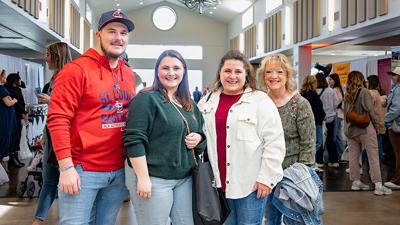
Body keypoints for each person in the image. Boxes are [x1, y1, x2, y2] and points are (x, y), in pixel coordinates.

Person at [46, 10, 136, 224]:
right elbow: (58, 119)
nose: (118, 37)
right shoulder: (76, 70)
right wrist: (66, 167)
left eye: (123, 33)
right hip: (83, 170)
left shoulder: (129, 74)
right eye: (111, 31)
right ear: (98, 35)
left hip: (118, 169)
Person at [198, 50, 286, 225]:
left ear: (246, 75)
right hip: (217, 185)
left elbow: (274, 142)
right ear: (220, 74)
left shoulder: (260, 101)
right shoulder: (206, 101)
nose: (232, 76)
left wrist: (266, 179)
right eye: (227, 71)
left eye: (238, 71)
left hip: (251, 185)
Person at [124, 49, 206, 225]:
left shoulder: (188, 102)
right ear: (157, 71)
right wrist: (143, 178)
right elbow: (134, 139)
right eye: (165, 68)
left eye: (176, 68)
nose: (171, 73)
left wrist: (198, 138)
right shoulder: (146, 98)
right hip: (155, 178)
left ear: (184, 71)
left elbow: (201, 130)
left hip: (184, 178)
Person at [258, 54, 317, 224]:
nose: (273, 76)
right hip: (265, 174)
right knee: (270, 220)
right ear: (263, 76)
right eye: (268, 71)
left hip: (292, 175)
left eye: (279, 72)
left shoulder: (300, 104)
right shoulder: (259, 102)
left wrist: (302, 177)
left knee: (297, 221)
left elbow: (308, 144)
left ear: (287, 75)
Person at [31, 42, 72, 225]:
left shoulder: (69, 77)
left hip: (64, 138)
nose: (45, 58)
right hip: (50, 134)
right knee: (49, 179)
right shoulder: (54, 79)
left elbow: (73, 109)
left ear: (57, 55)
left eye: (48, 54)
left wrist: (51, 100)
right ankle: (38, 220)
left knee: (60, 181)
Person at [344, 71, 391, 195]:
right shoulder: (364, 92)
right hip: (365, 128)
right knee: (373, 156)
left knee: (353, 156)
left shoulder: (348, 93)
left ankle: (356, 182)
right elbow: (371, 110)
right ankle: (378, 185)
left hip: (352, 130)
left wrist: (346, 129)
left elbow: (346, 114)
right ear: (361, 79)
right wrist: (377, 126)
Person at [300, 75, 325, 172]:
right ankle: (310, 164)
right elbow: (318, 109)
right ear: (312, 83)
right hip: (315, 122)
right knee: (316, 143)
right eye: (315, 82)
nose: (317, 84)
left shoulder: (302, 94)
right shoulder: (313, 95)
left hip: (308, 123)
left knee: (310, 143)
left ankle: (311, 164)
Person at [315, 72, 339, 168]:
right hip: (331, 118)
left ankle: (319, 161)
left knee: (319, 140)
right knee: (330, 139)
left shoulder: (315, 91)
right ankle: (334, 160)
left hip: (320, 119)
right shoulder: (330, 91)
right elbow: (336, 104)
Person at [4, 72, 28, 168]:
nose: (20, 81)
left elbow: (21, 101)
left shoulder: (18, 88)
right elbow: (16, 104)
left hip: (19, 115)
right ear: (14, 81)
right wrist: (23, 112)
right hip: (13, 115)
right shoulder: (8, 90)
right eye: (18, 79)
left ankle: (15, 157)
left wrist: (24, 112)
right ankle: (12, 158)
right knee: (13, 136)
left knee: (17, 136)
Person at [383, 67, 400, 189]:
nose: (392, 77)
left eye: (394, 75)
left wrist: (385, 119)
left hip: (396, 125)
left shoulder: (398, 90)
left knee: (398, 154)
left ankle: (397, 180)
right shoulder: (396, 89)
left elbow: (396, 109)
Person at [0, 69, 17, 173]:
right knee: (4, 138)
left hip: (5, 116)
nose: (5, 78)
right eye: (4, 76)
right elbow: (8, 103)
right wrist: (14, 100)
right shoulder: (1, 88)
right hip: (4, 118)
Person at [367, 75, 387, 162]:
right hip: (381, 122)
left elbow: (369, 110)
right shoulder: (380, 93)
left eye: (367, 82)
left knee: (371, 146)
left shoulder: (370, 93)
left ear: (371, 82)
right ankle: (378, 165)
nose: (366, 83)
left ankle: (363, 164)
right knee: (378, 145)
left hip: (374, 123)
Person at [328, 73, 345, 160]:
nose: (329, 81)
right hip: (339, 114)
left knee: (337, 136)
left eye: (330, 79)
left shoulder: (335, 90)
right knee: (338, 135)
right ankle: (341, 156)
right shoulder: (338, 89)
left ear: (335, 80)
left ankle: (341, 156)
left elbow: (338, 102)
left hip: (337, 114)